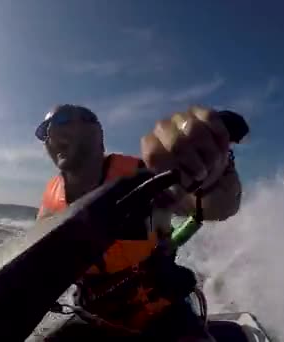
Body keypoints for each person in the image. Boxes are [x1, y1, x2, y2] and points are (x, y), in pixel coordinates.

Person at [34, 104, 246, 341]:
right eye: (43, 131)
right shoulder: (49, 200)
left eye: (60, 119)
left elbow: (214, 204)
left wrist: (212, 179)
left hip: (162, 314)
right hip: (94, 318)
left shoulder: (141, 176)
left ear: (95, 130)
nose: (49, 134)